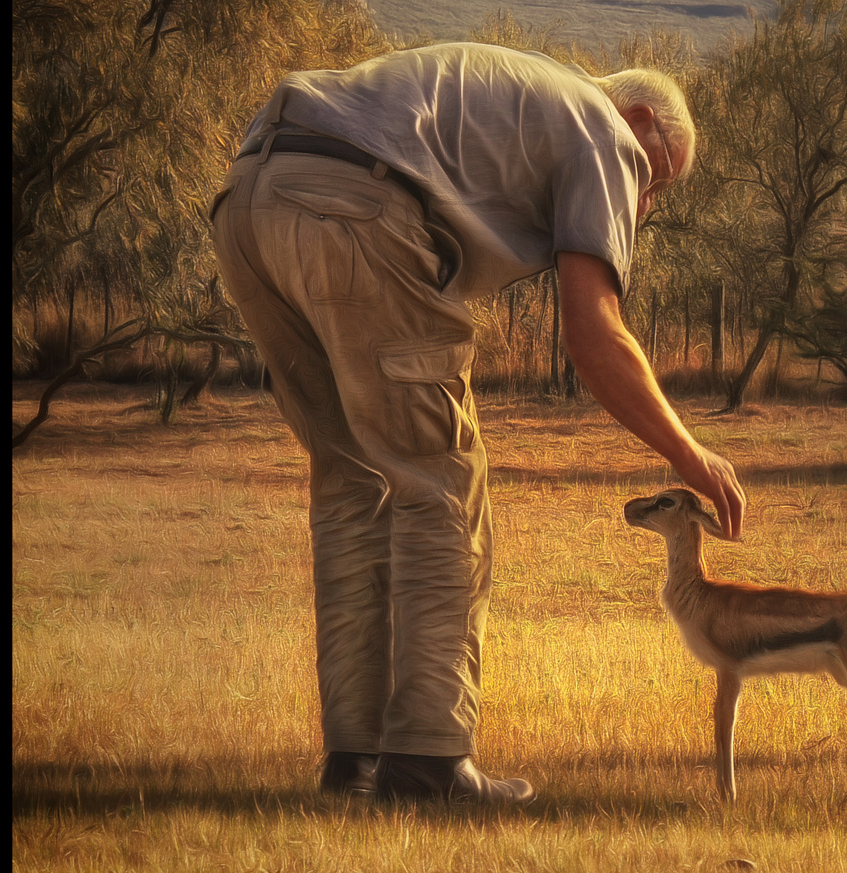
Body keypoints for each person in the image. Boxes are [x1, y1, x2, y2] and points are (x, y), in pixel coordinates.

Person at [209, 42, 746, 806]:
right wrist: (691, 454)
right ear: (641, 120)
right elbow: (594, 335)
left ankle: (354, 761)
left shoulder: (526, 100)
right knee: (443, 485)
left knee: (352, 483)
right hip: (352, 203)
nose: (647, 200)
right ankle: (430, 762)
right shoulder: (607, 131)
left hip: (250, 197)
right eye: (659, 177)